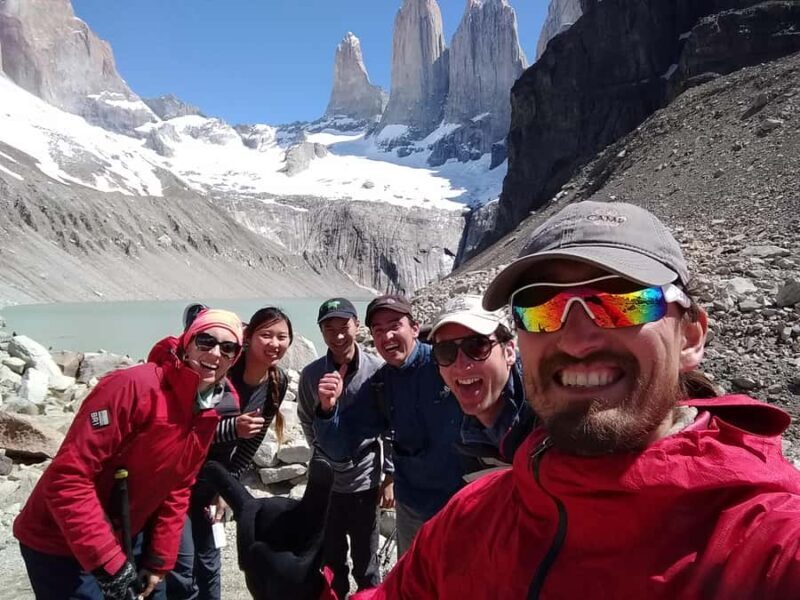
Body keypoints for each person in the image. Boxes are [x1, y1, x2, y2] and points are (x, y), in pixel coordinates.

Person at [215, 200, 800, 599]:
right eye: (541, 308)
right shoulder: (475, 520)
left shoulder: (764, 539)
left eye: (622, 301)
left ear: (691, 335)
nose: (575, 337)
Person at [14, 309, 244, 600]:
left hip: (124, 533)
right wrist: (108, 562)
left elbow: (177, 488)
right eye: (205, 340)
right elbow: (68, 478)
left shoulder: (205, 412)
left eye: (228, 347)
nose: (215, 353)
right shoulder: (134, 387)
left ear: (235, 357)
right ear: (187, 342)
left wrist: (159, 561)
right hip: (60, 542)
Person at [316, 294, 465, 557]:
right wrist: (327, 409)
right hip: (412, 510)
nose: (387, 337)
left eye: (395, 326)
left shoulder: (448, 362)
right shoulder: (381, 385)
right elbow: (340, 446)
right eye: (379, 330)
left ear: (415, 328)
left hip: (462, 504)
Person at [168, 306, 294, 599]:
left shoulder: (277, 382)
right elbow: (183, 431)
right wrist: (232, 429)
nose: (274, 344)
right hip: (180, 481)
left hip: (215, 483)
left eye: (282, 337)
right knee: (182, 567)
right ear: (247, 338)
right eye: (266, 335)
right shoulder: (220, 371)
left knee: (210, 562)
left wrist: (227, 488)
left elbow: (253, 440)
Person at [297, 298, 392, 599]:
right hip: (327, 486)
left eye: (344, 327)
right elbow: (306, 419)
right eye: (329, 329)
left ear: (357, 326)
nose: (338, 336)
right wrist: (323, 455)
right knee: (330, 558)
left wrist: (389, 475)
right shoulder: (312, 375)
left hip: (366, 481)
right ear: (321, 332)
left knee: (367, 559)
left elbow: (391, 426)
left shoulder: (378, 371)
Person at [428, 295, 533, 475]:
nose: (461, 364)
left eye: (477, 346)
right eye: (446, 351)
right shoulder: (446, 420)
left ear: (509, 352)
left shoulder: (551, 412)